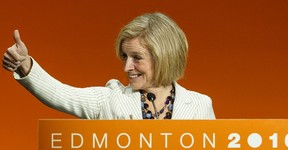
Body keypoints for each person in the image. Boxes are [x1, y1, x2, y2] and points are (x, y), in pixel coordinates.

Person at [2, 12, 215, 120]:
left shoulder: (199, 105)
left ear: (164, 56)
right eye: (125, 57)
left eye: (137, 57)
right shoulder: (109, 99)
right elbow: (60, 94)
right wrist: (25, 64)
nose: (127, 67)